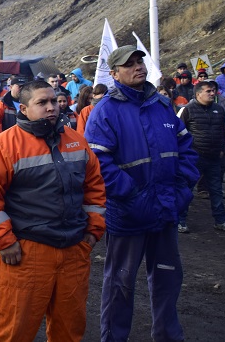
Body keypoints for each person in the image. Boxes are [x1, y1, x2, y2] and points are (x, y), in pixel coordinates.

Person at [0, 80, 106, 342]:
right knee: (13, 331)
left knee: (69, 329)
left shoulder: (76, 141)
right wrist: (5, 242)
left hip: (74, 249)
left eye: (54, 101)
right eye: (41, 103)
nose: (51, 107)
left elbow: (94, 188)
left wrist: (93, 231)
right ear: (23, 108)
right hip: (26, 252)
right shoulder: (4, 146)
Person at [84, 45, 199, 342]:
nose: (138, 67)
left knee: (168, 278)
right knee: (120, 285)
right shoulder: (104, 112)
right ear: (114, 74)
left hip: (165, 211)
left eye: (140, 61)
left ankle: (168, 336)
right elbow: (99, 164)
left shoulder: (162, 105)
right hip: (129, 214)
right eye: (129, 64)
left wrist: (183, 189)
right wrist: (133, 196)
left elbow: (186, 149)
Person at [176, 81, 225, 233]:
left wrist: (223, 149)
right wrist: (186, 154)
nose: (212, 93)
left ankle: (221, 221)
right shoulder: (187, 110)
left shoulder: (219, 110)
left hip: (215, 157)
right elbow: (177, 134)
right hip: (194, 158)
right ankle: (180, 220)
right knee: (187, 189)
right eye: (208, 91)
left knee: (216, 190)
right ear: (198, 94)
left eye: (213, 90)